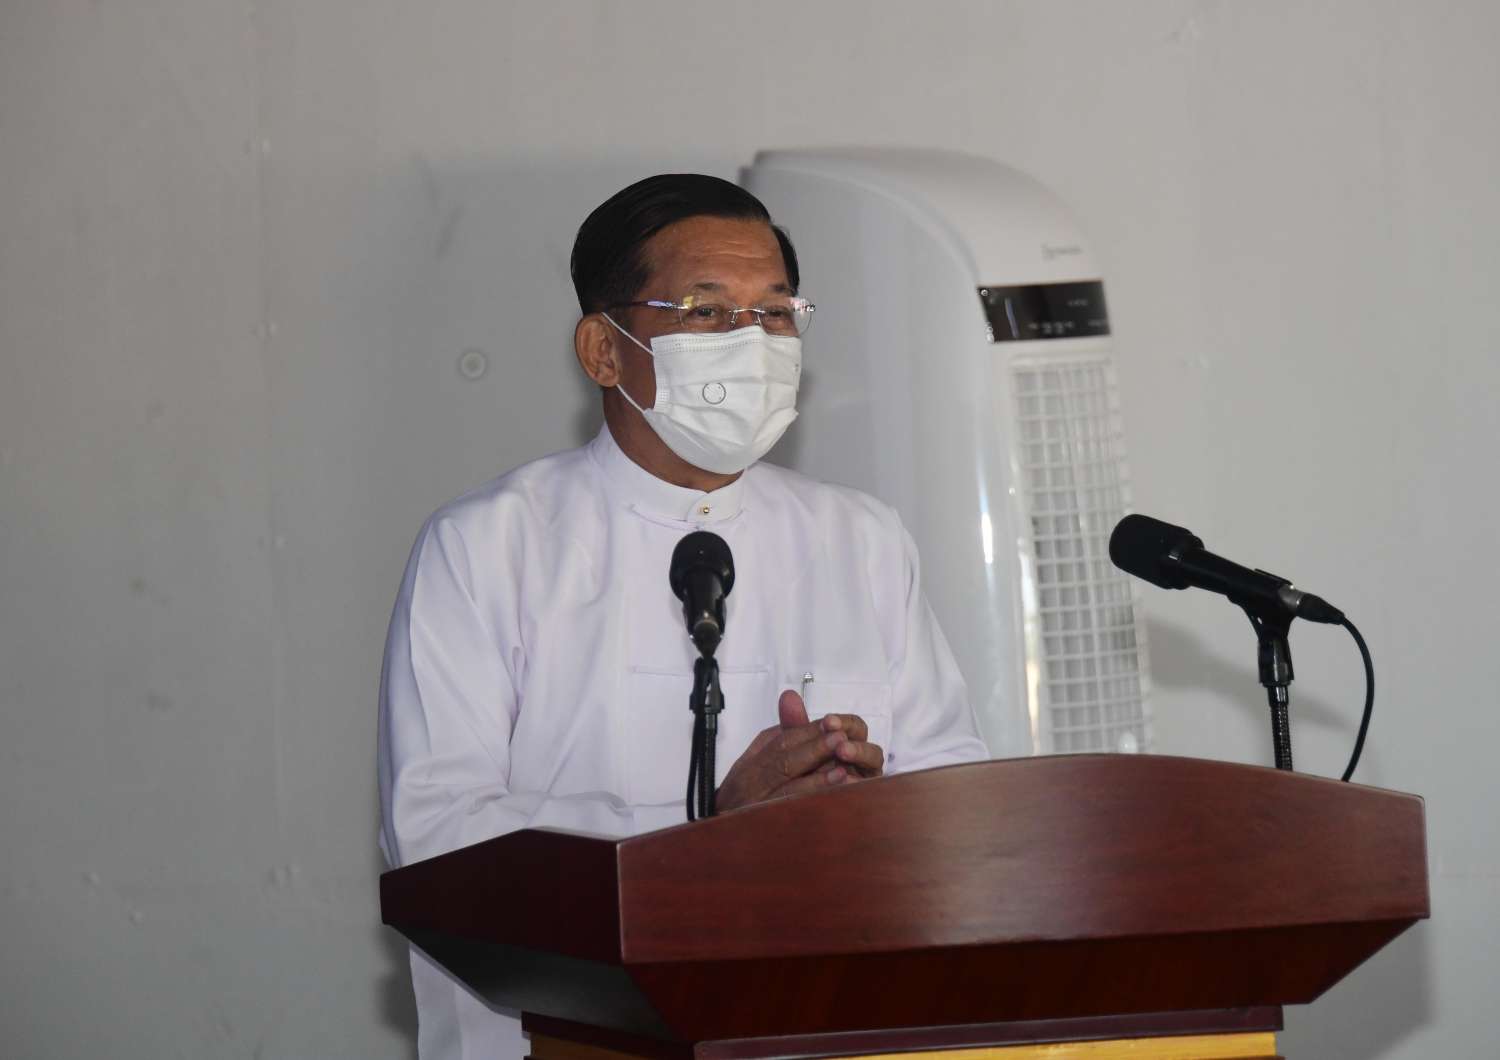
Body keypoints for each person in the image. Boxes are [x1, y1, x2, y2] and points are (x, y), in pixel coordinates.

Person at [377, 174, 989, 1058]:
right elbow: (440, 841)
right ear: (604, 349)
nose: (752, 341)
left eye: (774, 313)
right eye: (706, 312)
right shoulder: (488, 547)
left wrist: (867, 807)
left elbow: (957, 799)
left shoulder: (860, 538)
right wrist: (707, 836)